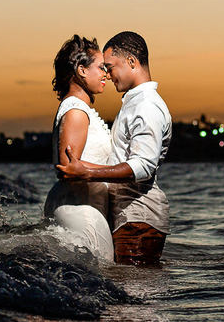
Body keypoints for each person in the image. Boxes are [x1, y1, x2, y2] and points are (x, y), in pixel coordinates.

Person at [57, 31, 172, 265]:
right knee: (129, 293)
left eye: (110, 67)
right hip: (128, 216)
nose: (108, 75)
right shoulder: (135, 103)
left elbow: (143, 166)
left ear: (131, 62)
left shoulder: (147, 106)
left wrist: (89, 173)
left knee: (136, 294)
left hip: (139, 216)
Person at [42, 34, 115, 262]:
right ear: (82, 70)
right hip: (79, 210)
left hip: (83, 205)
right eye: (101, 67)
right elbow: (68, 168)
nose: (107, 74)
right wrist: (125, 171)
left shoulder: (78, 108)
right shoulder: (76, 111)